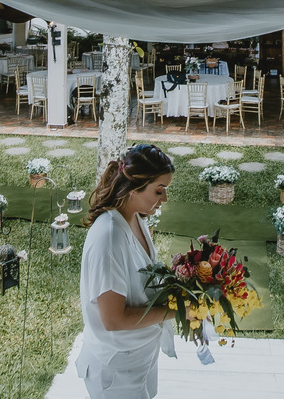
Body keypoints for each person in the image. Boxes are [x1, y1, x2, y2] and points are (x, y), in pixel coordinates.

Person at [77, 144, 177, 399]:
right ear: (134, 189)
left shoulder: (134, 218)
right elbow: (113, 319)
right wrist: (177, 310)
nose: (164, 198)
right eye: (159, 190)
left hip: (140, 357)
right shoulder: (109, 237)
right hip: (116, 371)